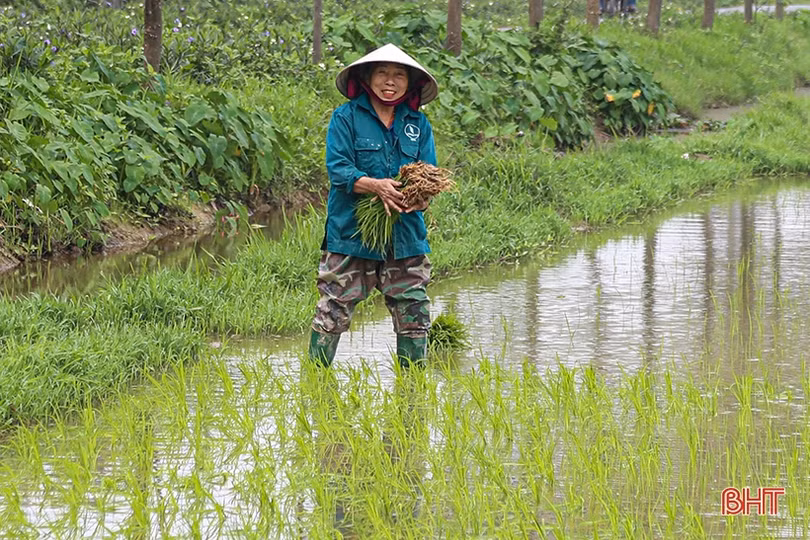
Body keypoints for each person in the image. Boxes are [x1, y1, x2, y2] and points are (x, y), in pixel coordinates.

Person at [307, 43, 440, 369]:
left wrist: (419, 198)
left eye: (399, 75)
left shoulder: (418, 124)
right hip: (351, 232)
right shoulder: (346, 118)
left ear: (410, 83)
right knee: (333, 309)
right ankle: (314, 384)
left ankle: (413, 390)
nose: (390, 81)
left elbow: (429, 175)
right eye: (382, 73)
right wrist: (376, 186)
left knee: (414, 312)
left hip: (405, 235)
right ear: (367, 77)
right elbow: (339, 170)